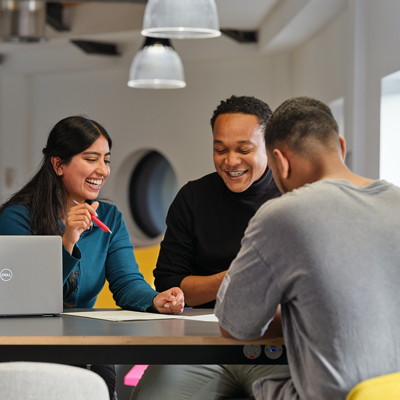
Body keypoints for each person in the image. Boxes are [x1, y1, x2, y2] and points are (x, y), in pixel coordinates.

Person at [215, 97, 400, 400]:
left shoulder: (283, 215)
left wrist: (296, 311)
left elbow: (234, 325)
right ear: (340, 146)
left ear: (280, 162)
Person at [0, 116, 184, 400]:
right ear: (58, 165)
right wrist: (68, 239)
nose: (103, 170)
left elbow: (126, 283)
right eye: (91, 158)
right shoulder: (17, 218)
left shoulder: (109, 217)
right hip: (29, 344)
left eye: (107, 160)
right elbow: (27, 297)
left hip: (86, 343)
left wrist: (153, 299)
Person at [131, 96, 288, 400]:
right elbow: (169, 284)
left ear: (269, 146)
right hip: (204, 345)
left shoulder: (293, 196)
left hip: (278, 346)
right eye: (220, 149)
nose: (230, 161)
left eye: (244, 149)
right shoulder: (193, 198)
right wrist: (236, 277)